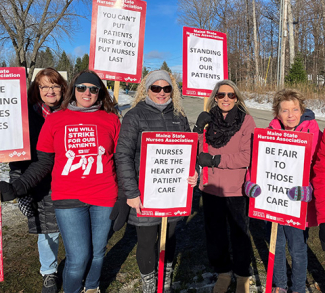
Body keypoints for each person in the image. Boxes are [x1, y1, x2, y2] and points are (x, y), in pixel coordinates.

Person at [0, 70, 121, 293]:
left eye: (93, 89)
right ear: (73, 90)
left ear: (100, 93)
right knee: (78, 257)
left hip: (104, 195)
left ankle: (92, 287)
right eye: (82, 87)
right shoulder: (56, 119)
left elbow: (121, 159)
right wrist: (18, 186)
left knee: (98, 251)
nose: (87, 92)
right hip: (68, 197)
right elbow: (43, 162)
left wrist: (126, 196)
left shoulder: (111, 119)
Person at [114, 70, 198, 293]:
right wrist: (131, 192)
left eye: (167, 88)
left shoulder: (179, 116)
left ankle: (166, 277)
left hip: (172, 191)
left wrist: (194, 172)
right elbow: (122, 154)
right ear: (147, 89)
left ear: (173, 90)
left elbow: (190, 152)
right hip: (145, 193)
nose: (161, 93)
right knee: (147, 238)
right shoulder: (135, 115)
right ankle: (149, 282)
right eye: (156, 88)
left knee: (170, 236)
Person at [246, 89, 321, 293]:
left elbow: (320, 167)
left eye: (295, 109)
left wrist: (310, 190)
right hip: (274, 203)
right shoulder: (269, 133)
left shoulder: (314, 133)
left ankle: (297, 287)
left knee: (297, 248)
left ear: (302, 110)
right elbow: (258, 164)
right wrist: (250, 183)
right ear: (276, 113)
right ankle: (280, 284)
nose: (290, 115)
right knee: (275, 245)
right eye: (285, 110)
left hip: (298, 204)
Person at [193, 79, 256, 293]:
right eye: (221, 95)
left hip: (236, 189)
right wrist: (197, 128)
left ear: (236, 97)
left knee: (239, 233)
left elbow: (246, 157)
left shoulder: (246, 121)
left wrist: (217, 160)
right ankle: (223, 272)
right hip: (210, 187)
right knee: (215, 233)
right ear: (215, 97)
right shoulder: (208, 119)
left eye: (231, 95)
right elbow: (198, 151)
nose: (226, 99)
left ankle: (242, 274)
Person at [9, 67, 67, 293]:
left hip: (69, 181)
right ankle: (49, 273)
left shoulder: (71, 114)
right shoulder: (26, 116)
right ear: (37, 89)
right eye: (44, 86)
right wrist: (19, 185)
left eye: (54, 85)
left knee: (74, 231)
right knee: (47, 232)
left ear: (63, 88)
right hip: (39, 182)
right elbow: (16, 155)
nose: (50, 90)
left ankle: (76, 267)